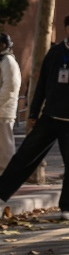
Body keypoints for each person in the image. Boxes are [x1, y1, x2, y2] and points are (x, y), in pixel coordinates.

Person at [0, 12, 69, 220]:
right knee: (25, 155)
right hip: (51, 115)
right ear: (65, 28)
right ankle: (1, 193)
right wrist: (33, 112)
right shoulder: (55, 52)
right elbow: (43, 83)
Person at [0, 34, 20, 169]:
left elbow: (10, 87)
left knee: (5, 149)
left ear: (3, 45)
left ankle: (8, 175)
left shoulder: (8, 61)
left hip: (4, 111)